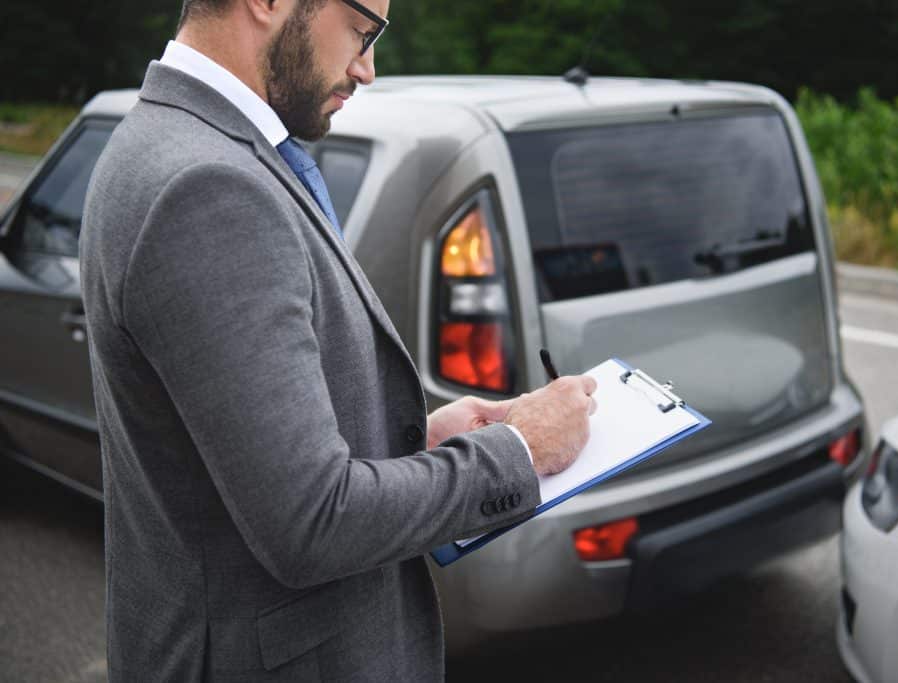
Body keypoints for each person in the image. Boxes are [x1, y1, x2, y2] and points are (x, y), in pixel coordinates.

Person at [78, 0, 597, 680]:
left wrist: (414, 438)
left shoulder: (170, 141)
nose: (367, 67)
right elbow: (310, 523)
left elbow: (237, 451)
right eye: (362, 29)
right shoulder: (208, 187)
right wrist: (520, 452)